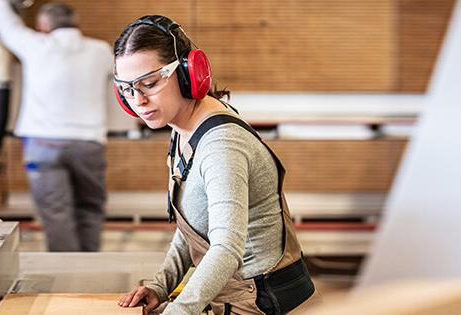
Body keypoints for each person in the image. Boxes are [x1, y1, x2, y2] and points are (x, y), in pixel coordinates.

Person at [112, 16, 316, 314]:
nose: (138, 100)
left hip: (262, 303)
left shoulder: (221, 146)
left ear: (187, 74)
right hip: (231, 296)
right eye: (127, 89)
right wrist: (160, 285)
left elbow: (226, 248)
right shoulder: (182, 127)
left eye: (149, 84)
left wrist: (179, 311)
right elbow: (194, 224)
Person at [0, 0, 113, 252]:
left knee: (56, 213)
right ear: (75, 23)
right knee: (90, 207)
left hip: (43, 144)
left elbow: (2, 17)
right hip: (88, 144)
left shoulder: (35, 45)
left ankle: (66, 275)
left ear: (43, 25)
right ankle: (90, 268)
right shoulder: (101, 51)